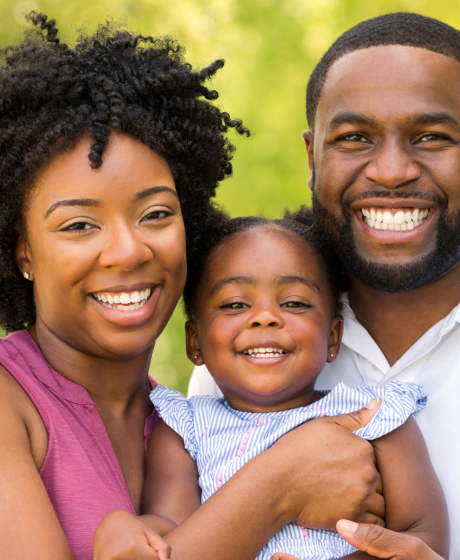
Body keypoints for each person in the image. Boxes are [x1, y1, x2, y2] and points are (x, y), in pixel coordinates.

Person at [0, 12, 390, 560]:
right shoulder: (9, 401)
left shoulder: (189, 422)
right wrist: (278, 486)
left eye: (155, 213)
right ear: (23, 251)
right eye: (79, 225)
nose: (128, 250)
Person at [188, 11, 460, 558]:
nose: (389, 171)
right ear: (312, 158)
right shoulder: (242, 364)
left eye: (431, 136)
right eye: (355, 137)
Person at [93, 211, 448, 560]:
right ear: (194, 342)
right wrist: (120, 526)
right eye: (234, 304)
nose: (265, 316)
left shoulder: (377, 419)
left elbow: (423, 537)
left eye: (294, 303)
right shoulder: (185, 431)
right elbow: (174, 532)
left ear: (333, 338)